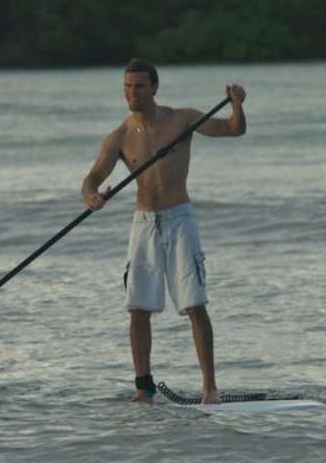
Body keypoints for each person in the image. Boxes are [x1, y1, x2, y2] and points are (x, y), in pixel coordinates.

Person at [81, 58, 246, 405]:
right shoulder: (120, 136)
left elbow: (233, 129)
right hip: (144, 225)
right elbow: (92, 178)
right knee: (138, 309)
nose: (132, 93)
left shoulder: (181, 120)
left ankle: (210, 389)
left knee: (195, 305)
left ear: (154, 87)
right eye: (127, 87)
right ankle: (144, 388)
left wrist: (237, 106)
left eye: (139, 86)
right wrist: (92, 197)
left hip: (179, 219)